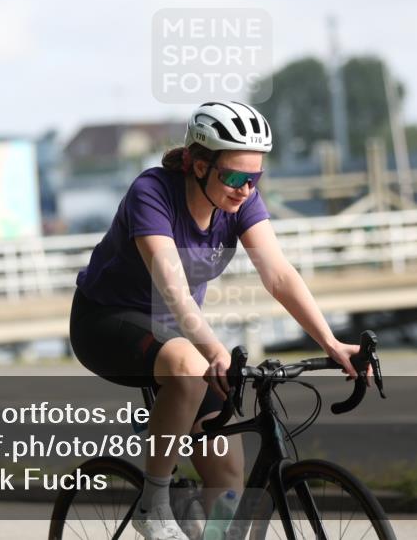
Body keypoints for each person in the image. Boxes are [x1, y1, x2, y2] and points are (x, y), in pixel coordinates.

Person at [70, 101, 369, 540]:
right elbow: (171, 285)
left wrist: (331, 343)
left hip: (173, 331)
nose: (245, 190)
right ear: (196, 163)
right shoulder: (152, 193)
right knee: (191, 369)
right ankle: (153, 504)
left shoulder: (240, 203)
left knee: (228, 473)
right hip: (106, 320)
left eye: (255, 178)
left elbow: (280, 275)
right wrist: (212, 350)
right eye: (233, 177)